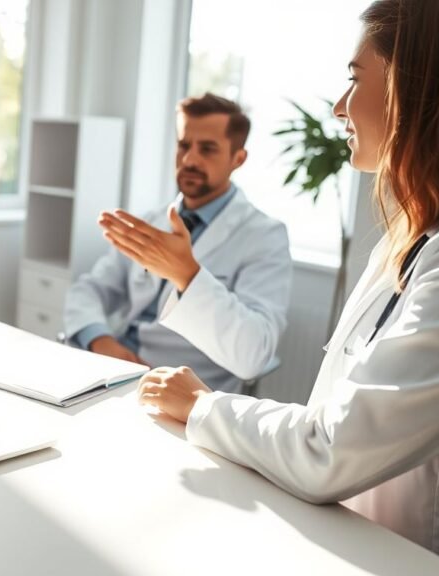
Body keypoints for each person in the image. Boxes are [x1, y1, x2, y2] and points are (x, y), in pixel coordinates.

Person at [135, 1, 439, 576]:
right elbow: (339, 418)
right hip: (358, 541)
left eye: (354, 79)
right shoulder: (420, 231)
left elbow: (335, 445)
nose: (338, 107)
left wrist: (205, 405)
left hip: (432, 564)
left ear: (424, 90)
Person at [64, 94, 292, 395]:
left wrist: (189, 275)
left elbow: (254, 354)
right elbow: (90, 289)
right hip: (113, 371)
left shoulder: (265, 237)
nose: (189, 160)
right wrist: (99, 340)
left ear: (238, 159)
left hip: (183, 394)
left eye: (207, 149)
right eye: (184, 146)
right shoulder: (152, 220)